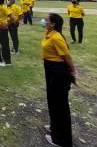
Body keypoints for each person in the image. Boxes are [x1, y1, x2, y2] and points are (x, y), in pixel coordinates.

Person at [40, 13, 76, 147]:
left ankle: (61, 140)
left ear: (53, 24)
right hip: (50, 69)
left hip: (58, 72)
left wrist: (73, 72)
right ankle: (55, 126)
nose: (43, 21)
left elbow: (67, 57)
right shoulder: (49, 33)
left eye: (46, 20)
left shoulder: (56, 38)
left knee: (60, 104)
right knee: (53, 100)